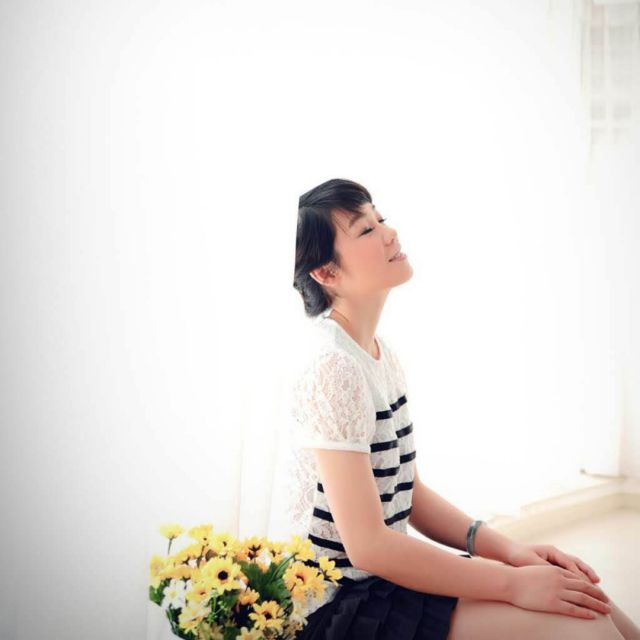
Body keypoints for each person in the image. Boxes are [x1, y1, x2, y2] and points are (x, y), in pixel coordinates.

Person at [288, 177, 640, 640]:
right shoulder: (333, 367)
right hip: (343, 605)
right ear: (326, 273)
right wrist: (513, 583)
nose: (389, 233)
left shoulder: (377, 354)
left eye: (381, 219)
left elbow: (408, 493)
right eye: (366, 230)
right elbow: (368, 547)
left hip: (384, 582)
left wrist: (514, 553)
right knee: (586, 623)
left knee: (589, 599)